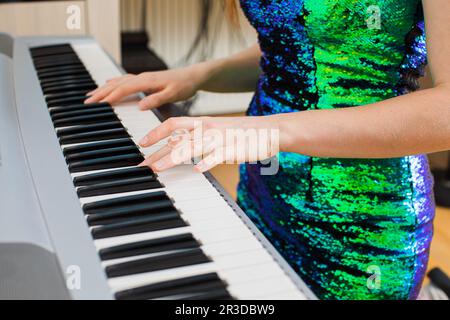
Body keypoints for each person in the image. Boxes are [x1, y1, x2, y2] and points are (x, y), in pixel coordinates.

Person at [85, 0, 450, 299]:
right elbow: (298, 43)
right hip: (264, 187)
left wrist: (267, 131)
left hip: (364, 220)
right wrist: (198, 76)